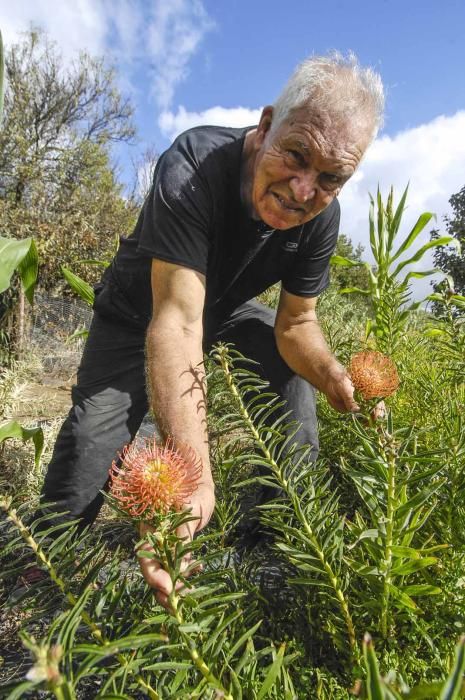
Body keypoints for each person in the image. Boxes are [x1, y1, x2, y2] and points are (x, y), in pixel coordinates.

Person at [39, 52, 384, 607]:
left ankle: (284, 537)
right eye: (296, 154)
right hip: (139, 316)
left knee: (286, 365)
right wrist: (196, 479)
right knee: (88, 445)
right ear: (266, 126)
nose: (302, 190)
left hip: (221, 314)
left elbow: (297, 323)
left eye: (330, 178)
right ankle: (43, 570)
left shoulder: (322, 215)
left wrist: (334, 375)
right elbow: (175, 321)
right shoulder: (196, 163)